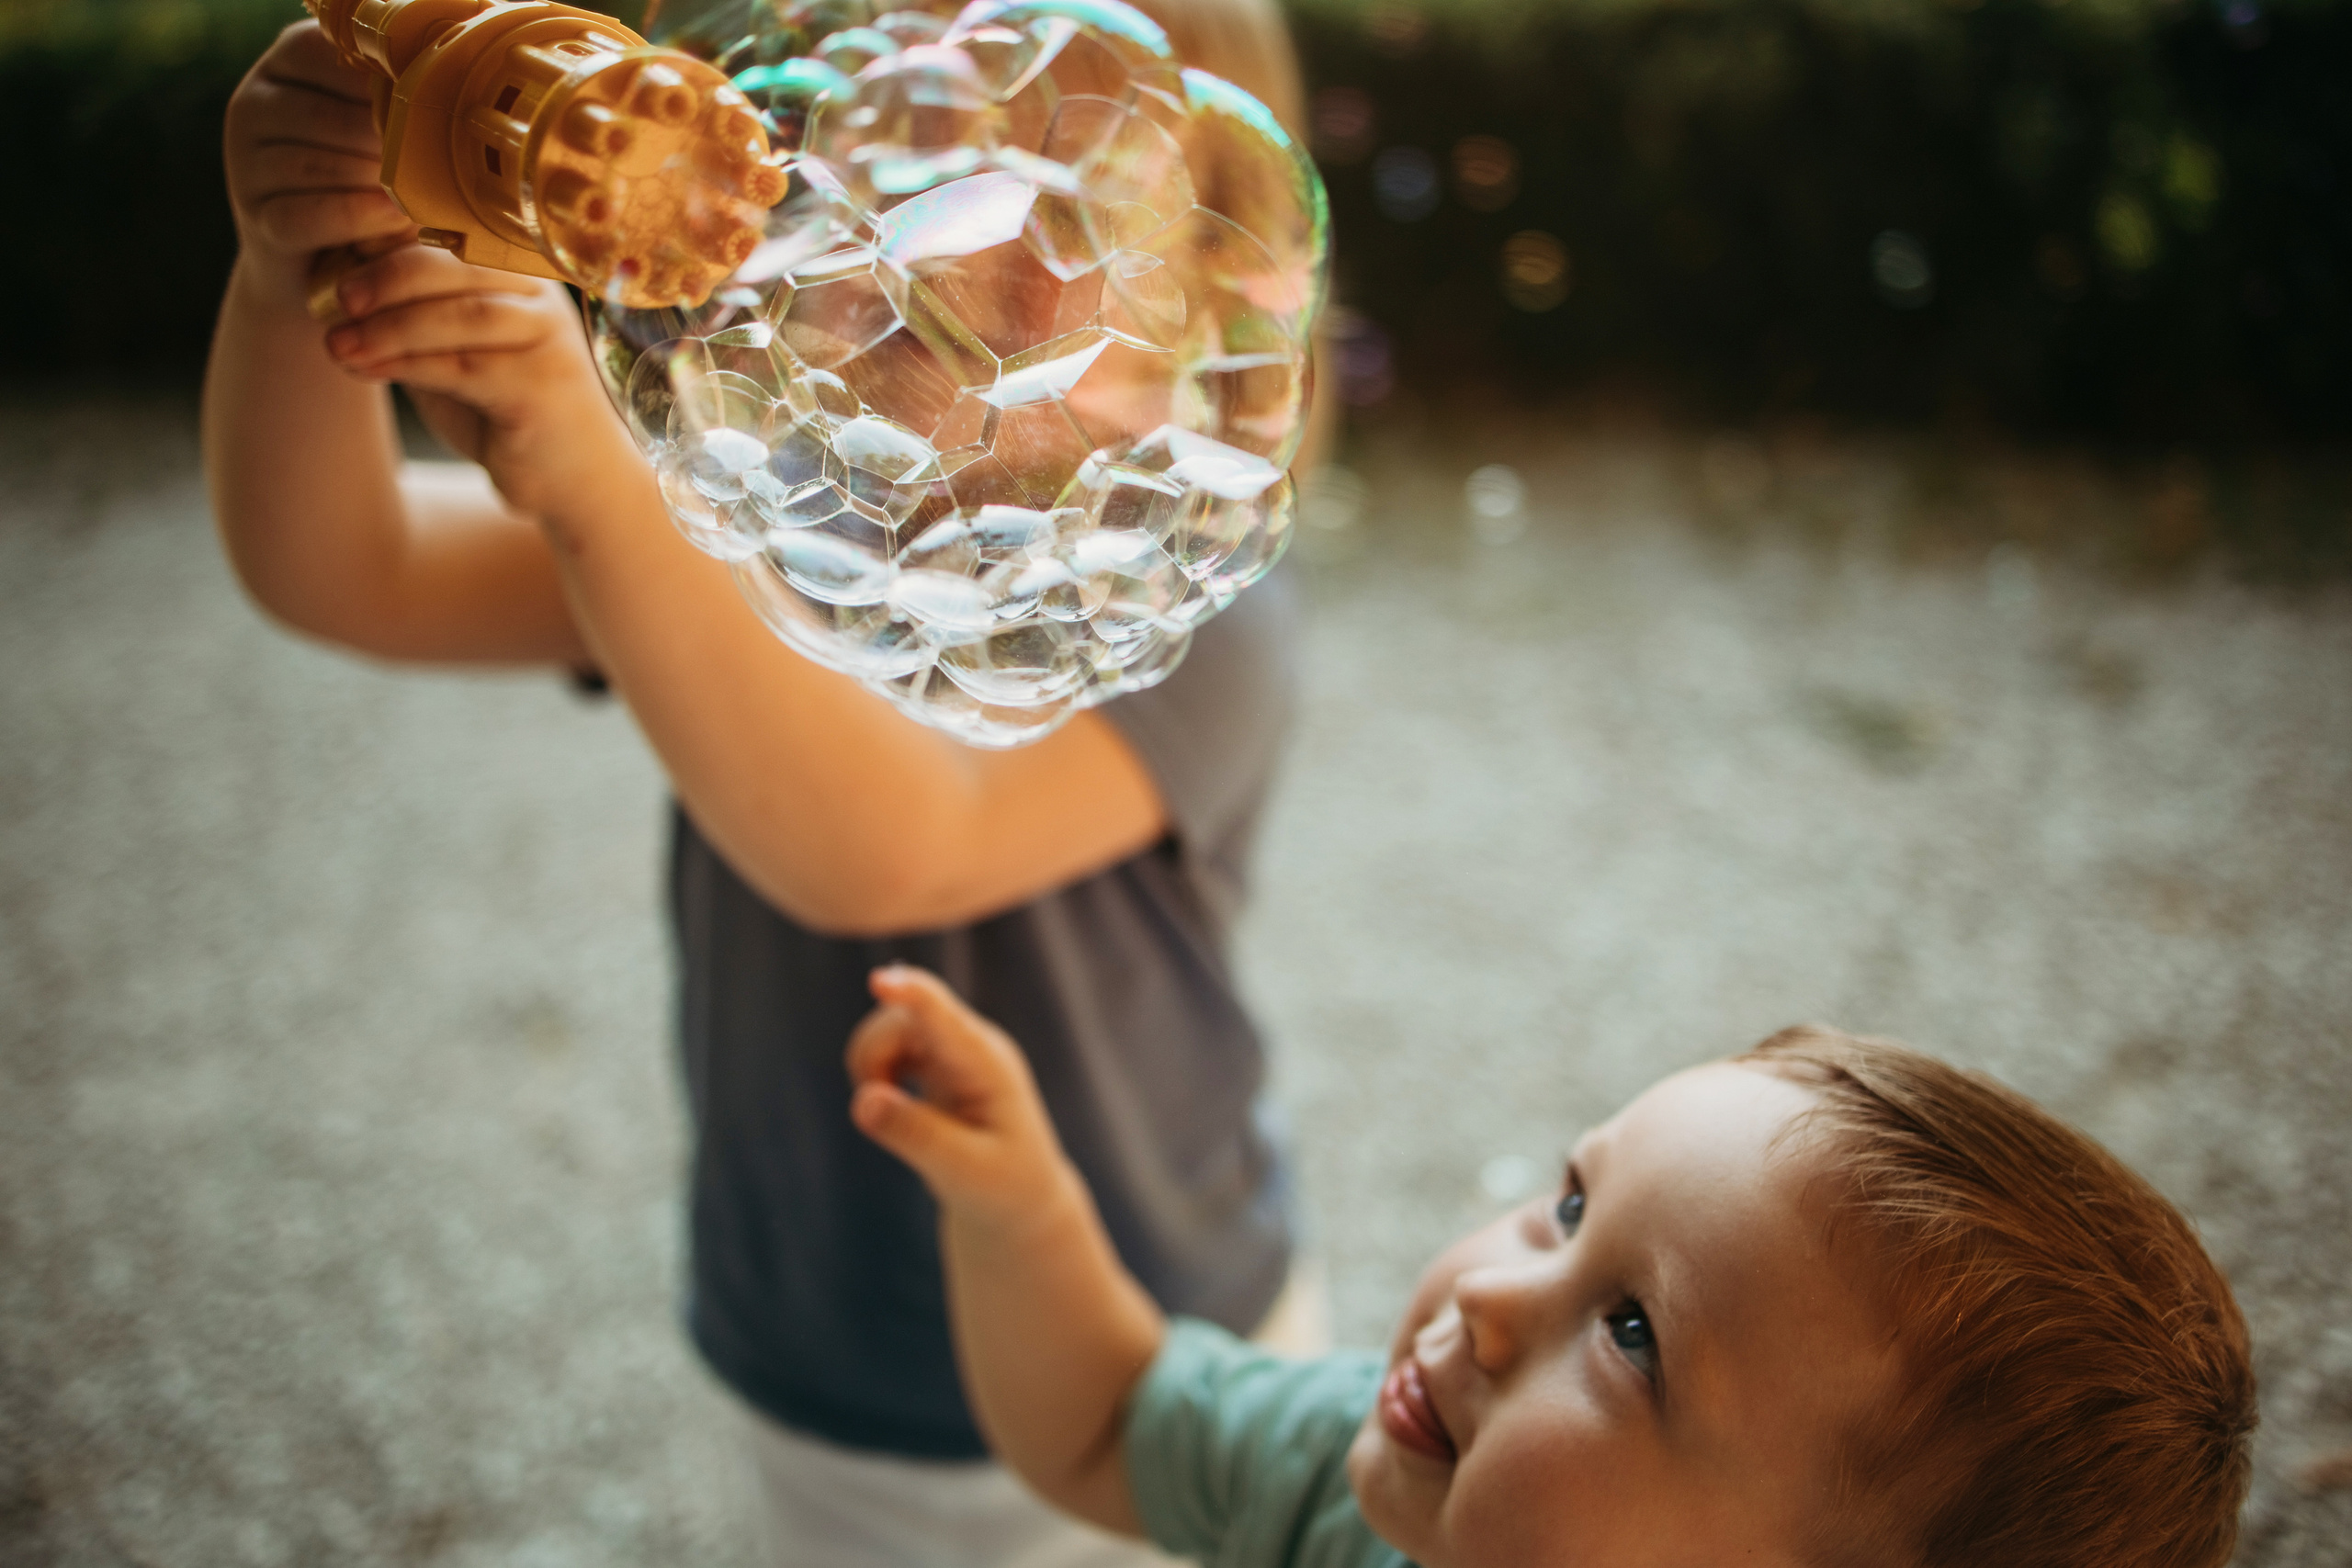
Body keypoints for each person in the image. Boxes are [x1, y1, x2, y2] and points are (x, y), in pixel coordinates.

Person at [201, 2, 1325, 1562]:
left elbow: (892, 846)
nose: (982, 244)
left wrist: (590, 472)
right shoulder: (747, 509)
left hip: (1160, 1382)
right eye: (914, 162)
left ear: (1221, 285)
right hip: (827, 1360)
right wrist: (293, 273)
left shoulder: (1209, 611)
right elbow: (345, 568)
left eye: (1084, 195)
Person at [847, 964, 2260, 1568]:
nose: (1489, 1296)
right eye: (1572, 1205)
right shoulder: (1370, 1501)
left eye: (1634, 1333)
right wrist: (1020, 1206)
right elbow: (1105, 1419)